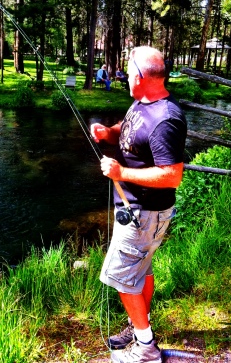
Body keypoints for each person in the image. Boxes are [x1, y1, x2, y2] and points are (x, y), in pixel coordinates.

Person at [90, 46, 187, 363]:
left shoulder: (166, 120)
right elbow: (130, 127)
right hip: (137, 211)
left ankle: (146, 349)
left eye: (128, 74)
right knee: (141, 271)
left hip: (144, 214)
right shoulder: (144, 102)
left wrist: (121, 172)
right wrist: (109, 132)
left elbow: (172, 176)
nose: (123, 77)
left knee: (121, 276)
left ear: (143, 77)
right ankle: (137, 327)